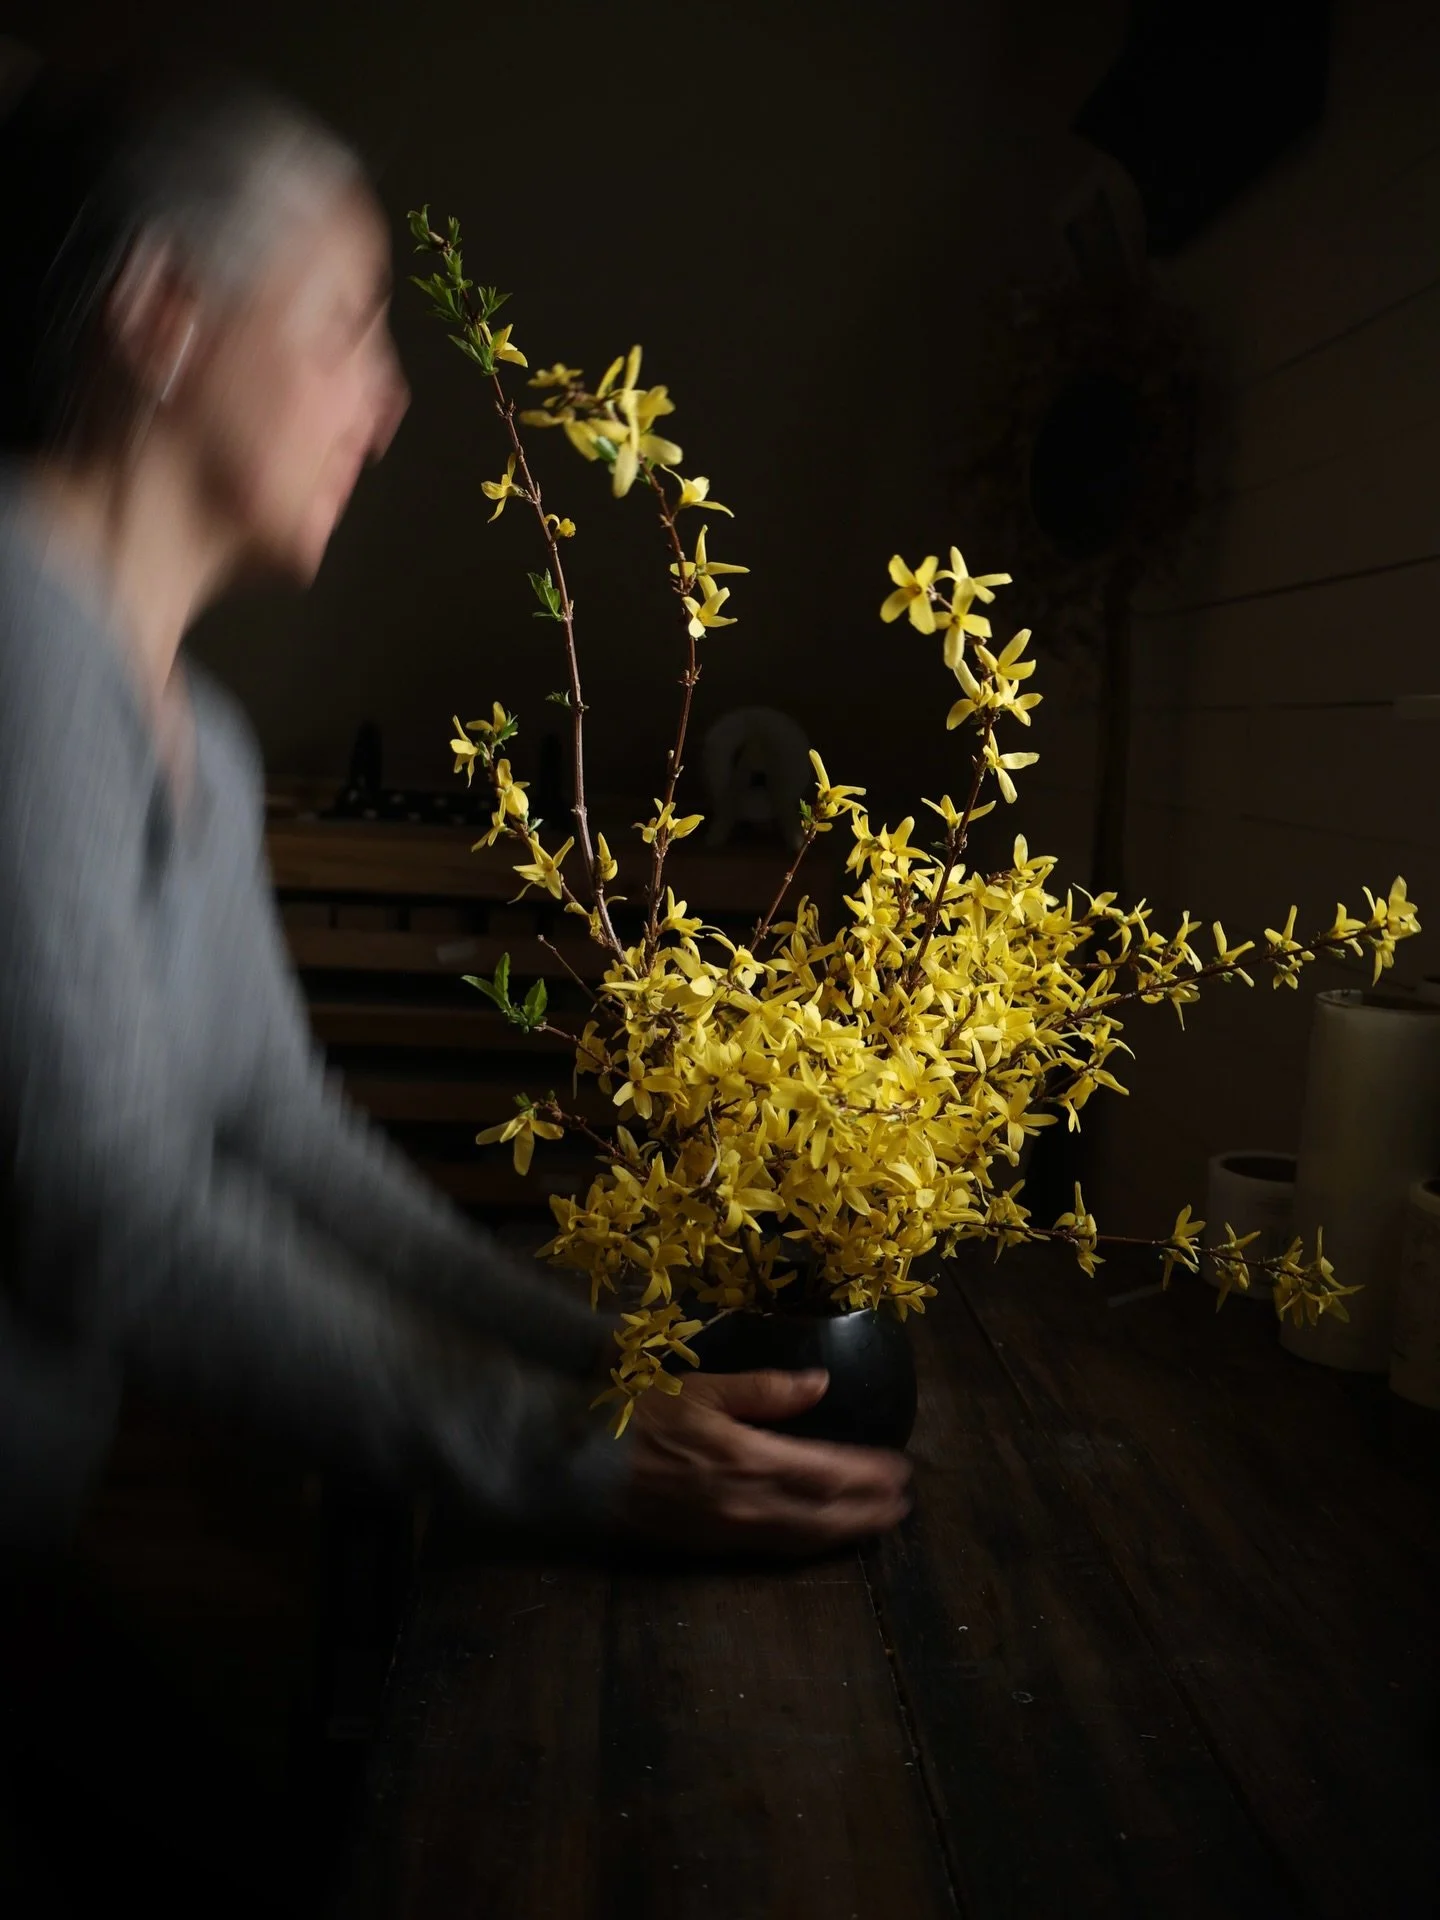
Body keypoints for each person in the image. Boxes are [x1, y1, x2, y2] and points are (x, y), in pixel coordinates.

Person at [0, 54, 912, 1573]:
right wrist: (567, 1451)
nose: (389, 401)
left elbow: (281, 1134)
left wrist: (607, 1365)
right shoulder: (17, 634)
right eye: (346, 321)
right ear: (163, 314)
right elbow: (105, 1216)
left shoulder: (205, 743)